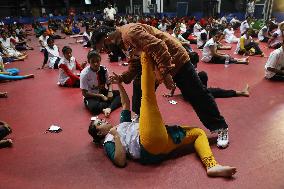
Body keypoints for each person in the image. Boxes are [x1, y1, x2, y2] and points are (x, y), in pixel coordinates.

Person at [88, 53, 237, 178]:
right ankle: (146, 53)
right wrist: (116, 136)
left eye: (99, 120)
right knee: (147, 97)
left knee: (198, 133)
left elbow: (125, 104)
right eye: (99, 124)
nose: (102, 120)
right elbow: (120, 161)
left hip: (161, 140)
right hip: (146, 143)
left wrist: (119, 83)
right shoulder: (108, 141)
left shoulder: (120, 125)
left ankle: (212, 166)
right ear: (100, 133)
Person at [96, 23, 232, 148]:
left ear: (107, 37)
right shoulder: (122, 42)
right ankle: (139, 116)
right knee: (139, 84)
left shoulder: (130, 33)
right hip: (158, 64)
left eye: (104, 46)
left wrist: (166, 74)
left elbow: (158, 46)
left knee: (196, 94)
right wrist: (122, 78)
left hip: (176, 58)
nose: (106, 51)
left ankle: (220, 127)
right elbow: (135, 63)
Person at [80, 50, 121, 117]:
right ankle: (110, 105)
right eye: (93, 61)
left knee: (121, 94)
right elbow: (84, 93)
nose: (96, 64)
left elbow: (109, 83)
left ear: (100, 60)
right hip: (91, 96)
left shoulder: (104, 69)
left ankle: (108, 108)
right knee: (93, 108)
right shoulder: (84, 74)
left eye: (97, 61)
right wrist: (101, 96)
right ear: (88, 62)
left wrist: (110, 91)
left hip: (103, 92)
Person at [164, 71, 250, 98]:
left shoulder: (177, 73)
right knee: (218, 91)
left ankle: (203, 91)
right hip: (195, 95)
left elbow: (174, 84)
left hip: (187, 95)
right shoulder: (188, 71)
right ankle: (242, 92)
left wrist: (171, 94)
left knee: (201, 76)